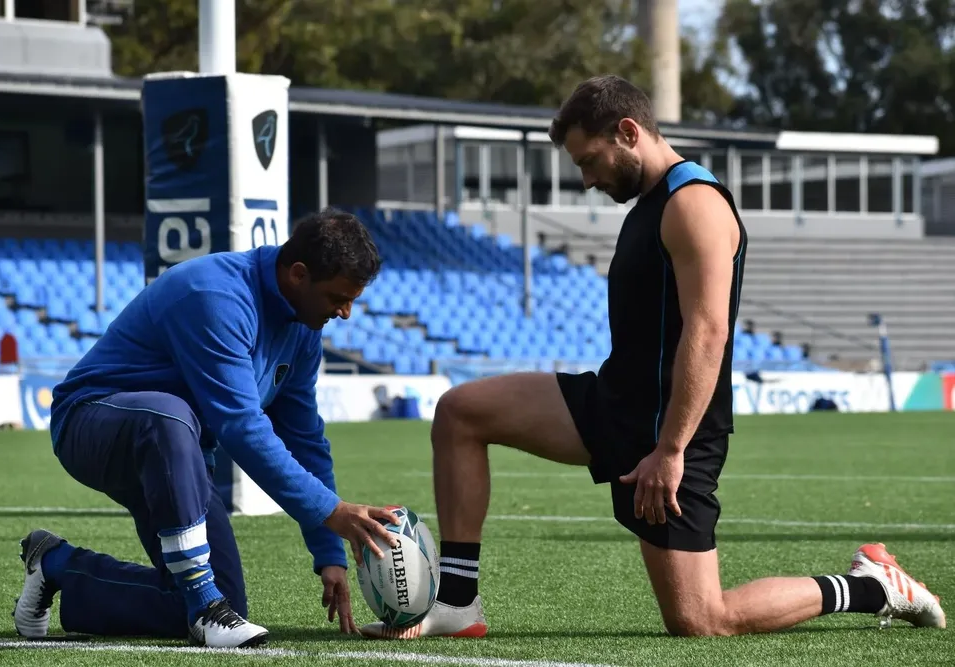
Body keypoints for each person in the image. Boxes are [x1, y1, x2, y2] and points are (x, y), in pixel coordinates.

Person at [360, 76, 946, 639]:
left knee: (702, 619)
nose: (586, 179)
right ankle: (458, 602)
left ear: (628, 131)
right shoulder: (649, 202)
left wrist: (670, 450)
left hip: (672, 432)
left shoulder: (695, 203)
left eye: (590, 160)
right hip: (617, 402)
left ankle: (872, 585)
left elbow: (709, 333)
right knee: (461, 412)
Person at [13, 208, 402, 648]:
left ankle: (58, 564)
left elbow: (304, 438)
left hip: (176, 451)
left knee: (226, 600)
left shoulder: (304, 328)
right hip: (90, 422)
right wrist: (332, 511)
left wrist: (330, 553)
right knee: (169, 415)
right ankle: (203, 607)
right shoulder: (214, 294)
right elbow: (242, 427)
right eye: (338, 297)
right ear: (298, 274)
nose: (346, 312)